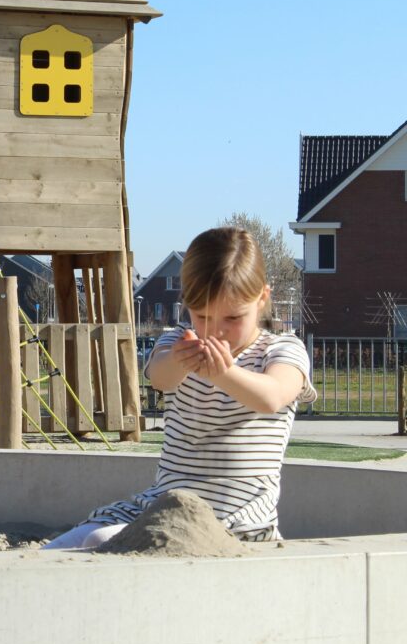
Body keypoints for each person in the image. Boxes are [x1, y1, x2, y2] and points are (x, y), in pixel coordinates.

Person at [44, 226, 317, 549]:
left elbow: (272, 396)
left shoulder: (282, 349)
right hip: (163, 505)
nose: (217, 330)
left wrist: (223, 372)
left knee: (99, 541)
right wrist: (182, 360)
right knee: (58, 547)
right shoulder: (177, 342)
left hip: (238, 520)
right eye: (202, 316)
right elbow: (160, 377)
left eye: (232, 317)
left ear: (262, 299)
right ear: (186, 304)